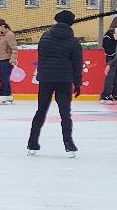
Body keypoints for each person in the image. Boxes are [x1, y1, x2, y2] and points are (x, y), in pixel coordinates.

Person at [27, 11, 85, 156]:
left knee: (41, 110)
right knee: (65, 113)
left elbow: (41, 56)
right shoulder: (73, 41)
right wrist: (77, 83)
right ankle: (69, 144)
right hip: (64, 80)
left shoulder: (45, 37)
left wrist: (42, 73)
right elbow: (77, 64)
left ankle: (32, 143)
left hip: (46, 79)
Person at [0, 19, 18, 105]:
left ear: (2, 26)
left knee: (3, 78)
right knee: (5, 78)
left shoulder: (10, 35)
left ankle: (2, 95)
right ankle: (8, 95)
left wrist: (13, 59)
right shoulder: (0, 34)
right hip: (1, 58)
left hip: (7, 59)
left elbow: (14, 48)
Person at [99, 14, 117, 102]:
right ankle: (105, 95)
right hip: (112, 58)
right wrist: (112, 52)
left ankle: (116, 94)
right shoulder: (109, 34)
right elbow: (106, 45)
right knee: (110, 77)